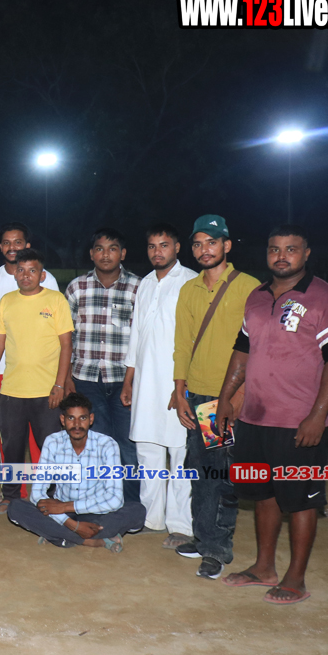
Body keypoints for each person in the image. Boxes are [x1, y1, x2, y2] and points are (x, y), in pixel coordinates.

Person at [215, 225, 328, 603]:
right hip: (254, 418)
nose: (281, 256)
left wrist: (317, 415)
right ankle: (264, 567)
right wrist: (226, 397)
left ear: (306, 253)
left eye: (291, 249)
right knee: (262, 494)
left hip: (298, 421)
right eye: (274, 249)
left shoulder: (327, 298)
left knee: (301, 500)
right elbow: (242, 351)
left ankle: (296, 578)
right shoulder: (257, 296)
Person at [171, 214, 261, 578]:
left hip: (225, 397)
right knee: (200, 469)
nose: (204, 250)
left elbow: (259, 348)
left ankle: (216, 548)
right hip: (196, 392)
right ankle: (202, 535)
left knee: (220, 474)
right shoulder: (188, 289)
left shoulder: (249, 288)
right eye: (198, 244)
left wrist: (238, 398)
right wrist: (179, 390)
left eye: (211, 242)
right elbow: (182, 343)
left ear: (226, 245)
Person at [120, 223, 197, 548]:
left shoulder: (191, 281)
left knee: (181, 452)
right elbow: (136, 334)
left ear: (177, 247)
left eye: (164, 245)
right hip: (146, 382)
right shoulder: (146, 283)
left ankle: (181, 524)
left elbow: (194, 340)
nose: (157, 251)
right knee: (148, 449)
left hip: (177, 383)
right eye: (152, 246)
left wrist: (183, 387)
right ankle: (151, 517)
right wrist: (129, 380)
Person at [0, 249, 74, 509]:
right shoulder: (7, 301)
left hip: (47, 391)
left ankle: (51, 497)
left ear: (42, 275)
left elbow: (66, 345)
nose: (26, 275)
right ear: (15, 274)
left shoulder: (56, 300)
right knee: (11, 447)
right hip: (12, 390)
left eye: (32, 270)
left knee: (50, 448)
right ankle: (11, 496)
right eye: (21, 270)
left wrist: (59, 385)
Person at [8, 393, 147, 551]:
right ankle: (91, 540)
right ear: (62, 420)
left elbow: (115, 499)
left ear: (91, 419)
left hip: (95, 511)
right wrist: (72, 524)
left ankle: (59, 536)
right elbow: (37, 493)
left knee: (137, 511)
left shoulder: (107, 445)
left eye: (82, 418)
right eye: (71, 418)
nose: (77, 424)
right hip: (63, 514)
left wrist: (66, 507)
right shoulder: (53, 442)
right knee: (16, 508)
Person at [64, 228, 141, 501]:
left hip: (124, 381)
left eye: (112, 249)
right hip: (86, 379)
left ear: (123, 253)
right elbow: (66, 337)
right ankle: (99, 499)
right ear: (91, 254)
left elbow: (142, 337)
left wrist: (132, 380)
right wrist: (66, 378)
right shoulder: (77, 287)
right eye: (99, 249)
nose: (105, 254)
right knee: (96, 443)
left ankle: (130, 503)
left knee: (128, 444)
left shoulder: (138, 288)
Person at [0, 222, 60, 459]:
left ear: (27, 245)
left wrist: (62, 378)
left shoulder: (47, 280)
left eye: (18, 242)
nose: (12, 247)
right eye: (6, 243)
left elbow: (61, 334)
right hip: (4, 372)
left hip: (43, 374)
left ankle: (44, 483)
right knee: (10, 440)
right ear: (0, 247)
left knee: (42, 440)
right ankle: (14, 484)